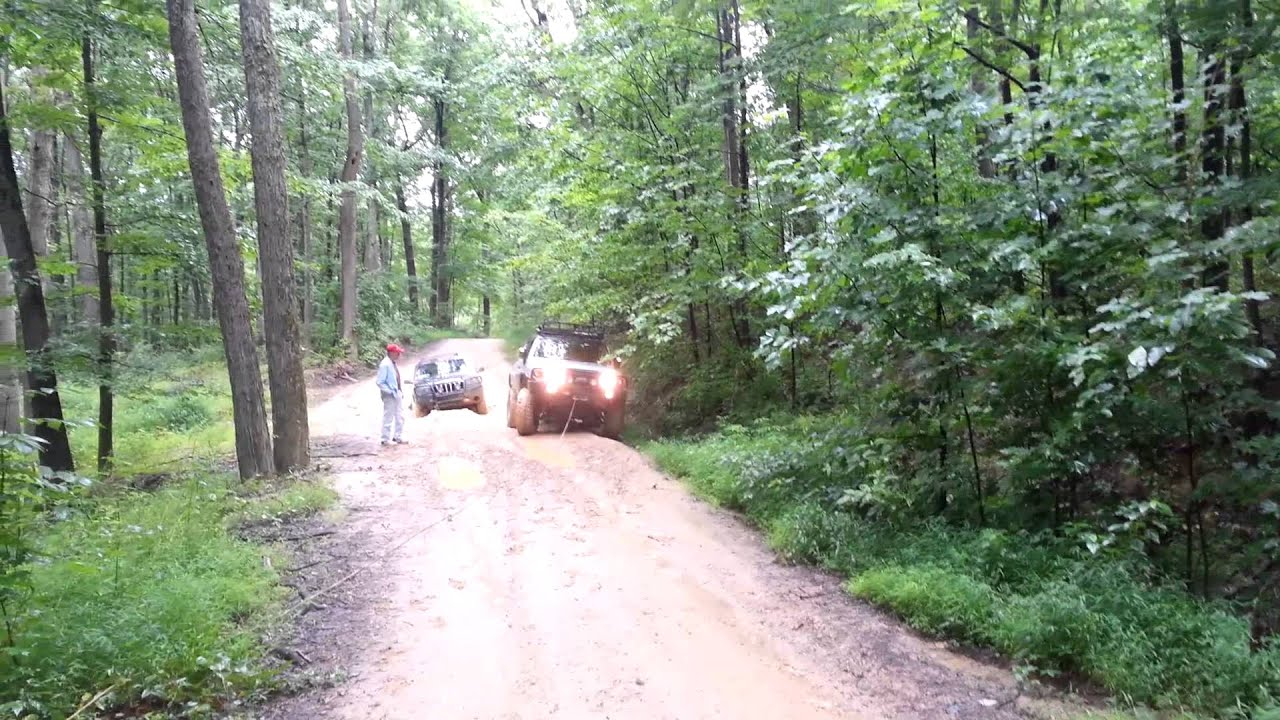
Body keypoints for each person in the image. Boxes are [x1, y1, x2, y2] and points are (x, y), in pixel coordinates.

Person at [376, 343, 408, 445]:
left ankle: (397, 436)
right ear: (392, 353)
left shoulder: (392, 363)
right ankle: (385, 439)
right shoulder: (385, 364)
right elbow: (380, 382)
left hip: (396, 393)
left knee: (400, 416)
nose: (399, 355)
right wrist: (390, 391)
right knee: (388, 417)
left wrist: (399, 391)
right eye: (397, 353)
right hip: (389, 395)